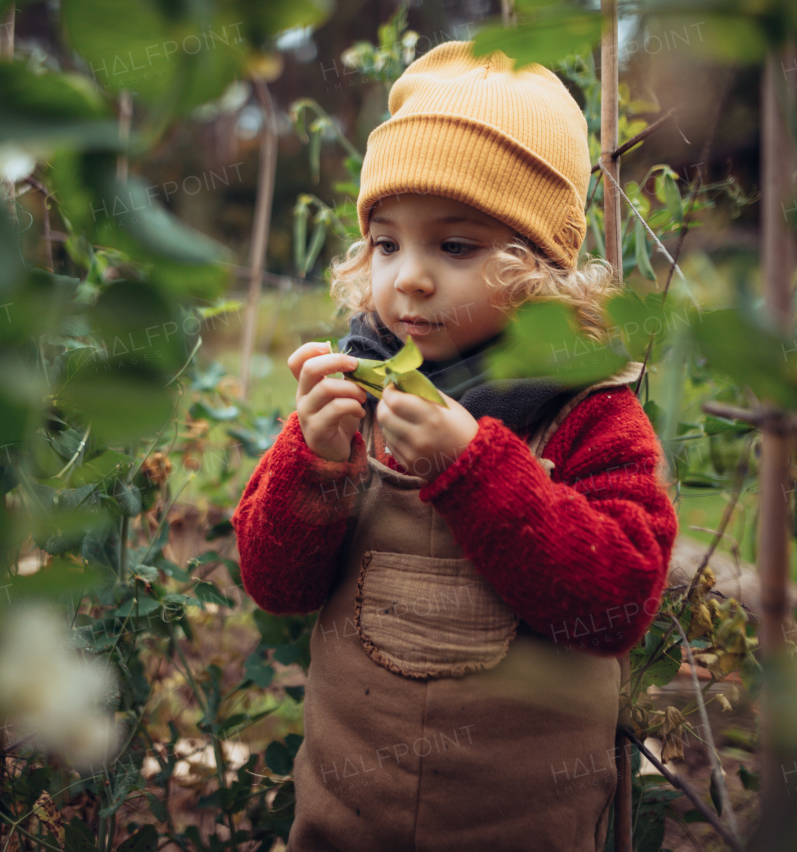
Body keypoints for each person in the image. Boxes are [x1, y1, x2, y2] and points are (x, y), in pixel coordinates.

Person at [231, 39, 678, 852]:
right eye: (386, 244)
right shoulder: (357, 392)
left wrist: (473, 467)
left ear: (540, 269)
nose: (409, 278)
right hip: (343, 822)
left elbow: (619, 595)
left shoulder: (585, 411)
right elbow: (277, 584)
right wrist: (317, 463)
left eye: (457, 246)